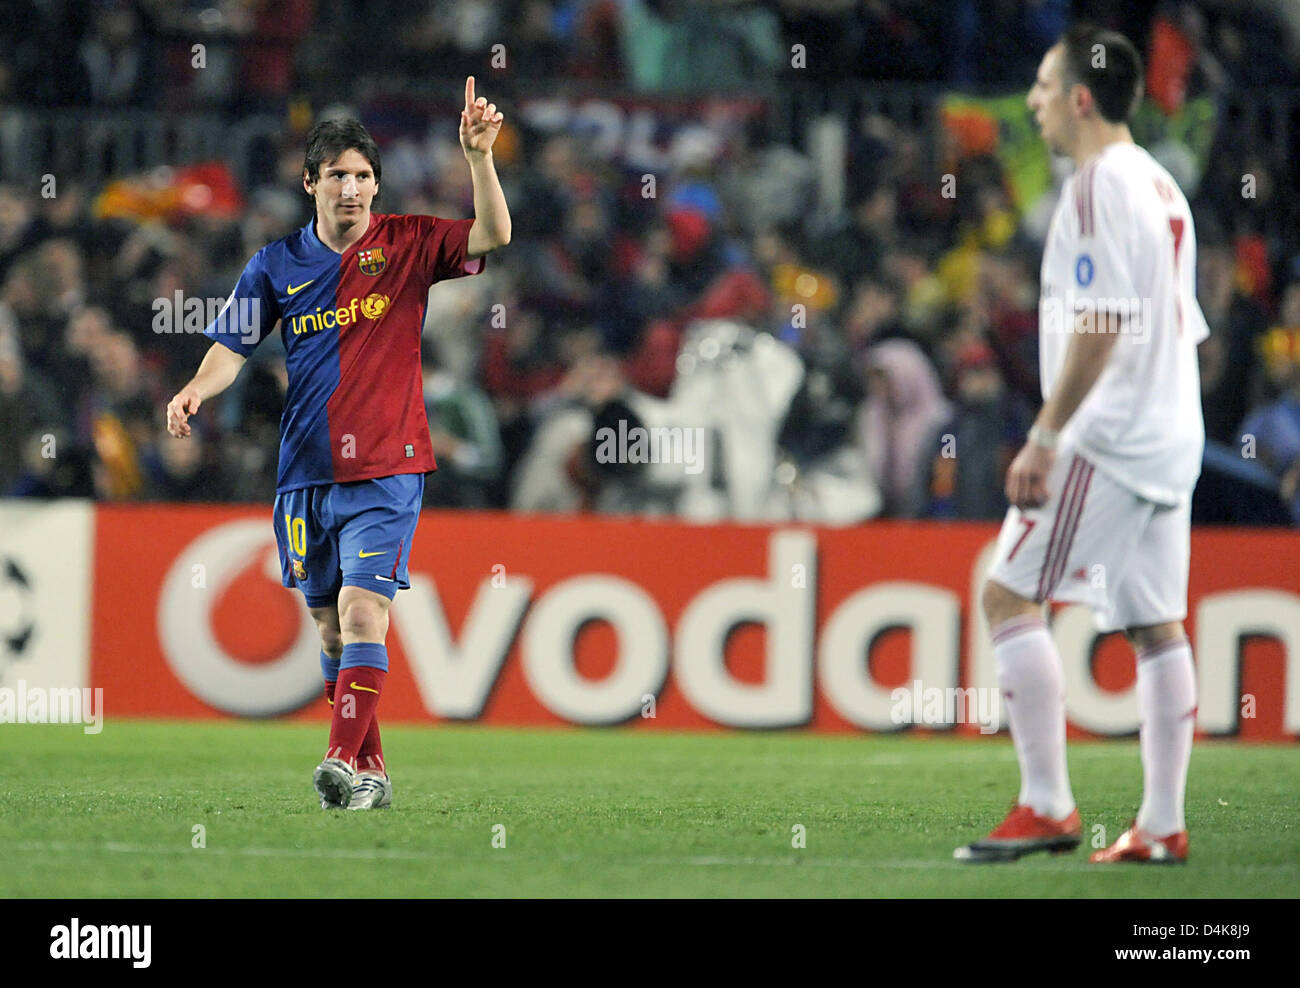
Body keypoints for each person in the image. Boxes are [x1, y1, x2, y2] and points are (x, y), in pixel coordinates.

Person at [165, 78, 510, 810]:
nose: (351, 189)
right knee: (329, 631)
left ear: (376, 186)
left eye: (362, 177)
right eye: (338, 176)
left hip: (388, 467)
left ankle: (336, 760)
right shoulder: (275, 264)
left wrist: (479, 158)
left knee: (361, 613)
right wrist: (198, 387)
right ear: (310, 182)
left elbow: (493, 235)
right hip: (305, 475)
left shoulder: (410, 244)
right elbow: (232, 347)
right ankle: (371, 772)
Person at [955, 25, 1207, 864]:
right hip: (1171, 433)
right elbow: (1185, 327)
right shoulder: (1163, 185)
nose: (1029, 102)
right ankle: (1162, 826)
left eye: (1040, 86)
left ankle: (1047, 805)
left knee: (1008, 596)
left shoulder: (1099, 185)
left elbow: (1100, 324)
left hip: (1112, 437)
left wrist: (1046, 436)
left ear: (1080, 97)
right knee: (1155, 625)